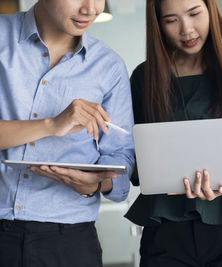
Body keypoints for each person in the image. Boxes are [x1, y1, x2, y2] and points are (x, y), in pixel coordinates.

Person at [125, 0, 222, 266]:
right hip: (165, 230)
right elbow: (134, 160)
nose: (187, 29)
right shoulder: (143, 78)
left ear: (211, 10)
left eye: (194, 14)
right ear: (157, 24)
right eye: (171, 20)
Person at [0, 0, 134, 266]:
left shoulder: (110, 66)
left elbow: (122, 158)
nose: (91, 9)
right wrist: (51, 125)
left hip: (69, 242)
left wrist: (95, 184)